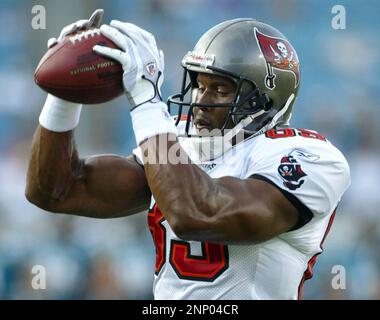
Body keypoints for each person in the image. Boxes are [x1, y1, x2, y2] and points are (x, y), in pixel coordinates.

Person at [26, 9, 350, 299]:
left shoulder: (309, 157)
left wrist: (145, 101)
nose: (199, 101)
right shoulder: (181, 141)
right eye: (198, 84)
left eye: (220, 89)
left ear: (265, 99)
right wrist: (64, 93)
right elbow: (57, 190)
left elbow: (198, 214)